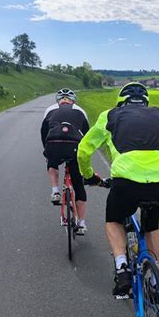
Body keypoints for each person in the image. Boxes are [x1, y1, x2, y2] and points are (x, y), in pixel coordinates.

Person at [77, 82, 159, 294]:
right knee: (152, 225)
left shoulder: (110, 115)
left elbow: (83, 150)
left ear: (121, 101)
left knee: (114, 220)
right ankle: (155, 285)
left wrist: (89, 176)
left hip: (126, 180)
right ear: (147, 102)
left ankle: (122, 268)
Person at [41, 89, 90, 233]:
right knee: (78, 186)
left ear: (58, 101)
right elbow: (87, 136)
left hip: (53, 143)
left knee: (51, 160)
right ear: (73, 101)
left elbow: (44, 132)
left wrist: (47, 151)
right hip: (74, 146)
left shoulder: (50, 109)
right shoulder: (80, 110)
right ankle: (81, 224)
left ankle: (55, 190)